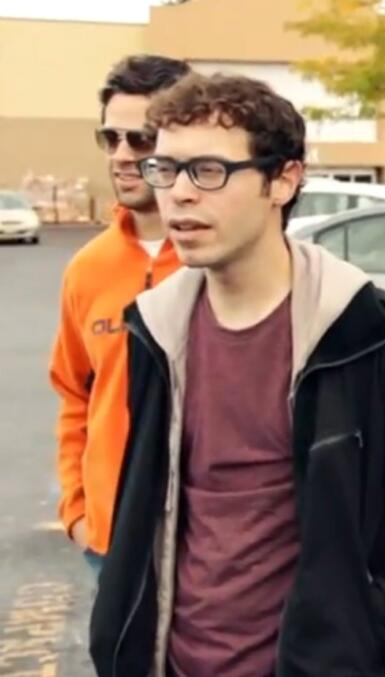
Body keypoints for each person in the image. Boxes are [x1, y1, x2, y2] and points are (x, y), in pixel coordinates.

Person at [88, 72, 385, 677]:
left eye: (207, 171)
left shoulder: (359, 331)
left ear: (283, 180)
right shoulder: (155, 328)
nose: (179, 194)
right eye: (165, 169)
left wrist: (377, 624)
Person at [50, 54, 191, 578]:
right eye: (111, 139)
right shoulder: (87, 269)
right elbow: (73, 396)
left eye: (142, 139)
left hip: (213, 547)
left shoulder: (221, 259)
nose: (123, 155)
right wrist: (80, 513)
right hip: (109, 546)